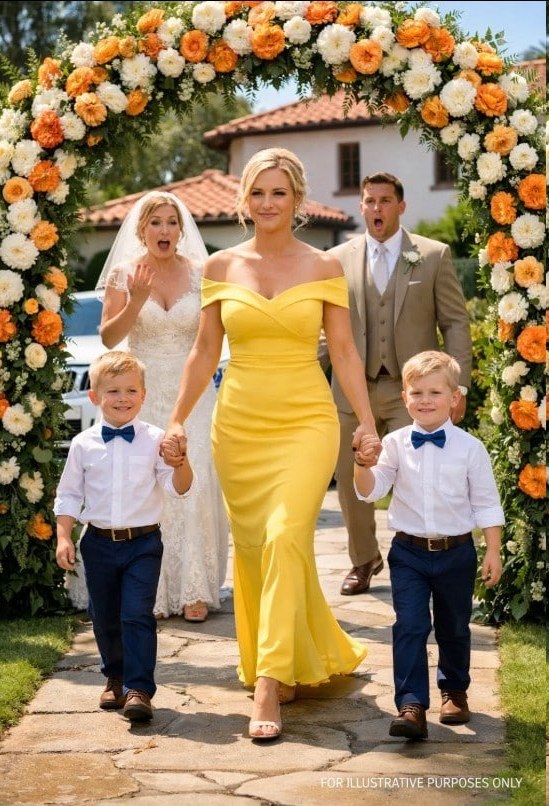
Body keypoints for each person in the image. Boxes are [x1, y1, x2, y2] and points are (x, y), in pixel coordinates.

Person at [161, 147, 380, 741]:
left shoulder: (324, 265)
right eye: (257, 192)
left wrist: (366, 422)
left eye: (278, 192)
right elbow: (204, 351)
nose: (267, 203)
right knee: (258, 548)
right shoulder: (221, 267)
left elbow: (344, 350)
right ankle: (285, 655)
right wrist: (177, 420)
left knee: (286, 535)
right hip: (239, 422)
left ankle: (268, 679)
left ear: (297, 199)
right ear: (244, 200)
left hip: (307, 420)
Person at [328, 171, 472, 597]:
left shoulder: (432, 255)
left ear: (400, 206)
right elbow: (324, 328)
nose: (377, 208)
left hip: (413, 393)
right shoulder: (335, 259)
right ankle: (363, 559)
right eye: (370, 201)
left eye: (385, 200)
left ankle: (420, 561)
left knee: (417, 474)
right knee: (351, 478)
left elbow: (455, 322)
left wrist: (459, 387)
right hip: (351, 389)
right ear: (361, 207)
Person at [93, 190, 228, 623]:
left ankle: (194, 588)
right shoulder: (124, 274)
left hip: (194, 393)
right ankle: (148, 588)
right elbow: (109, 338)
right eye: (156, 222)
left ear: (181, 229)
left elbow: (213, 337)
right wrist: (135, 300)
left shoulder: (201, 274)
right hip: (141, 393)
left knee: (195, 480)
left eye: (172, 222)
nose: (164, 230)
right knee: (147, 483)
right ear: (142, 229)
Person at [354, 351, 504, 740]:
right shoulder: (395, 444)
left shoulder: (470, 448)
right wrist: (362, 464)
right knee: (410, 625)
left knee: (454, 626)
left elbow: (487, 503)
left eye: (435, 392)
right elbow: (371, 491)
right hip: (409, 554)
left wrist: (492, 550)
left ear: (454, 397)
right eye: (416, 392)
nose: (425, 400)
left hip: (457, 553)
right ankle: (411, 705)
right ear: (404, 397)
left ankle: (454, 691)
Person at [54, 351, 193, 722]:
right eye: (113, 391)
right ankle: (114, 677)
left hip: (143, 544)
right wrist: (64, 536)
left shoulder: (156, 440)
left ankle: (139, 689)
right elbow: (69, 494)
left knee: (136, 614)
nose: (123, 398)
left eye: (131, 390)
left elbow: (178, 488)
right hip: (97, 543)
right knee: (104, 617)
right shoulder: (83, 444)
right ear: (95, 396)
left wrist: (181, 461)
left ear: (143, 395)